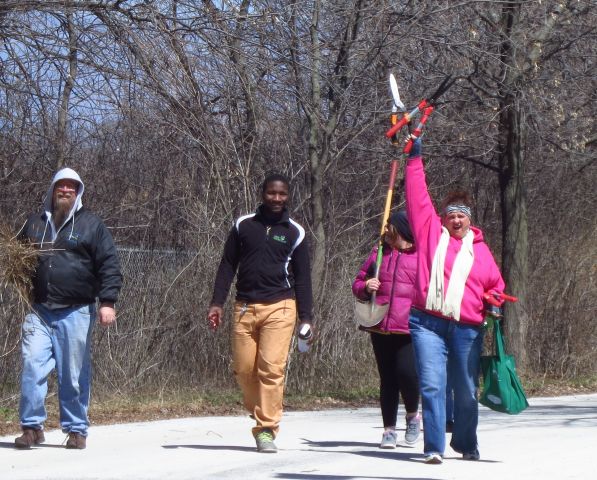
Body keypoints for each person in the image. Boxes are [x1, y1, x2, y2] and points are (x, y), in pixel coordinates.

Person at [404, 138, 505, 464]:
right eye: (452, 215)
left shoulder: (482, 252)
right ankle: (434, 447)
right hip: (427, 323)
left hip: (466, 329)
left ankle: (465, 442)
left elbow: (496, 287)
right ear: (444, 219)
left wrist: (494, 300)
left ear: (469, 220)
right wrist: (414, 157)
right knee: (432, 385)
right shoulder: (430, 234)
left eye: (462, 216)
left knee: (464, 390)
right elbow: (418, 198)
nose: (457, 220)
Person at [15, 167, 122, 450]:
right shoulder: (34, 223)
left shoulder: (91, 225)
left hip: (75, 311)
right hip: (39, 309)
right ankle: (31, 427)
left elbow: (109, 264)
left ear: (78, 193)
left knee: (72, 373)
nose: (65, 192)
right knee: (32, 364)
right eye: (61, 187)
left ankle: (76, 429)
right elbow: (18, 260)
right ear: (52, 190)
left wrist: (107, 302)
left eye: (71, 188)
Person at [207, 173, 313, 454]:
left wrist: (307, 317)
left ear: (288, 196)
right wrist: (217, 302)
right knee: (243, 370)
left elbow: (303, 278)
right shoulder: (244, 225)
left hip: (281, 306)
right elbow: (227, 265)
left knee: (271, 370)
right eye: (272, 193)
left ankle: (266, 429)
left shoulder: (295, 232)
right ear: (262, 193)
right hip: (244, 307)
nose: (277, 199)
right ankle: (261, 410)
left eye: (282, 194)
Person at [352, 210, 421, 449]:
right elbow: (358, 282)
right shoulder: (379, 253)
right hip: (380, 322)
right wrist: (366, 286)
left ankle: (413, 416)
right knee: (387, 378)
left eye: (390, 228)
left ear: (400, 229)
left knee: (406, 374)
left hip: (408, 327)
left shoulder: (420, 256)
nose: (386, 233)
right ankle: (388, 430)